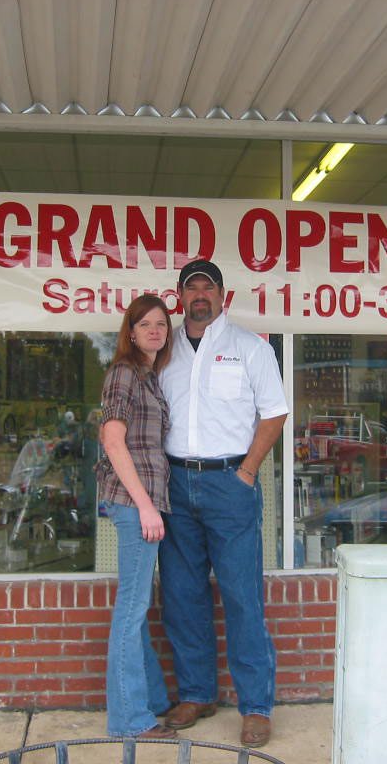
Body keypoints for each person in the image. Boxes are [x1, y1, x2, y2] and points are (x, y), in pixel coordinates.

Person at [158, 260, 288, 748]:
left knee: (241, 597)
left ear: (222, 295)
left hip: (229, 485)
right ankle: (196, 693)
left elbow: (274, 414)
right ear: (179, 296)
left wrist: (248, 472)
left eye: (206, 287)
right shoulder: (163, 347)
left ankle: (256, 705)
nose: (199, 296)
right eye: (191, 288)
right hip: (174, 484)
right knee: (182, 595)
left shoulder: (251, 348)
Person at [94, 294, 176, 740]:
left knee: (137, 607)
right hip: (134, 506)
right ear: (130, 331)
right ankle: (130, 720)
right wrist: (145, 505)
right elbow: (112, 441)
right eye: (145, 323)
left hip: (145, 503)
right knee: (131, 608)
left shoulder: (149, 376)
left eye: (161, 324)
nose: (154, 330)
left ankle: (153, 701)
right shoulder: (124, 373)